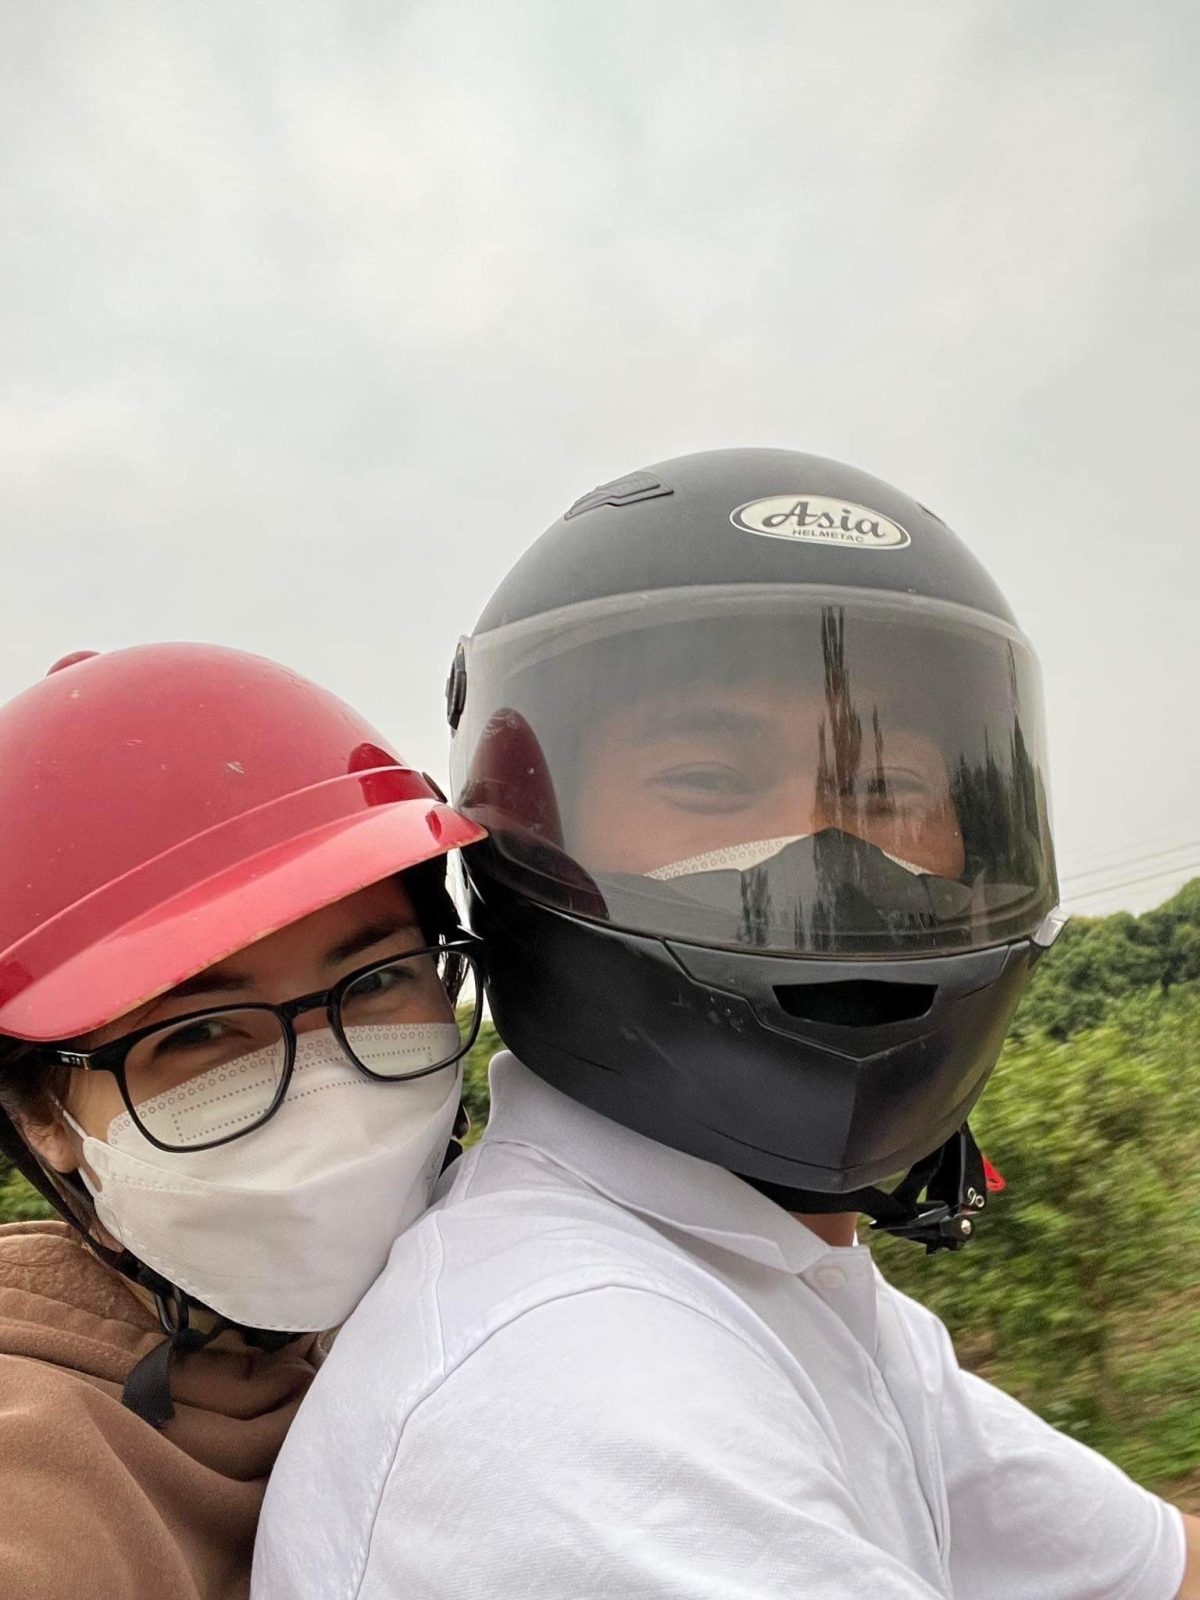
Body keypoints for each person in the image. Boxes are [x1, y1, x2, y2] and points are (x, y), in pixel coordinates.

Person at [254, 450, 1200, 1599]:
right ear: (533, 842)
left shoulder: (776, 1267)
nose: (833, 860)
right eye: (708, 778)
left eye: (890, 790)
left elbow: (1152, 1565)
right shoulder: (566, 1399)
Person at [0, 642, 486, 1600]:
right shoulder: (41, 1492)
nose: (331, 1095)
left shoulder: (467, 1298)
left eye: (376, 980)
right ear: (39, 1112)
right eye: (199, 1031)